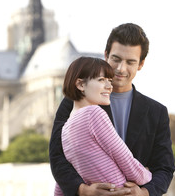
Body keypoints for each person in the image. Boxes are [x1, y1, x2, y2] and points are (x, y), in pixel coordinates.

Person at [49, 23, 175, 196]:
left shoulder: (157, 112)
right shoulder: (74, 101)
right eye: (116, 59)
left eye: (130, 62)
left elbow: (165, 167)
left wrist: (144, 192)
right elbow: (57, 156)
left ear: (141, 64)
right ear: (106, 55)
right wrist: (83, 190)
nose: (120, 69)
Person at [54, 57, 152, 196]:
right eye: (101, 80)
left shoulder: (65, 129)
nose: (109, 86)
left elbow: (61, 182)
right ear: (81, 85)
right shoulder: (93, 113)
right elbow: (124, 158)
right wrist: (146, 176)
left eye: (109, 80)